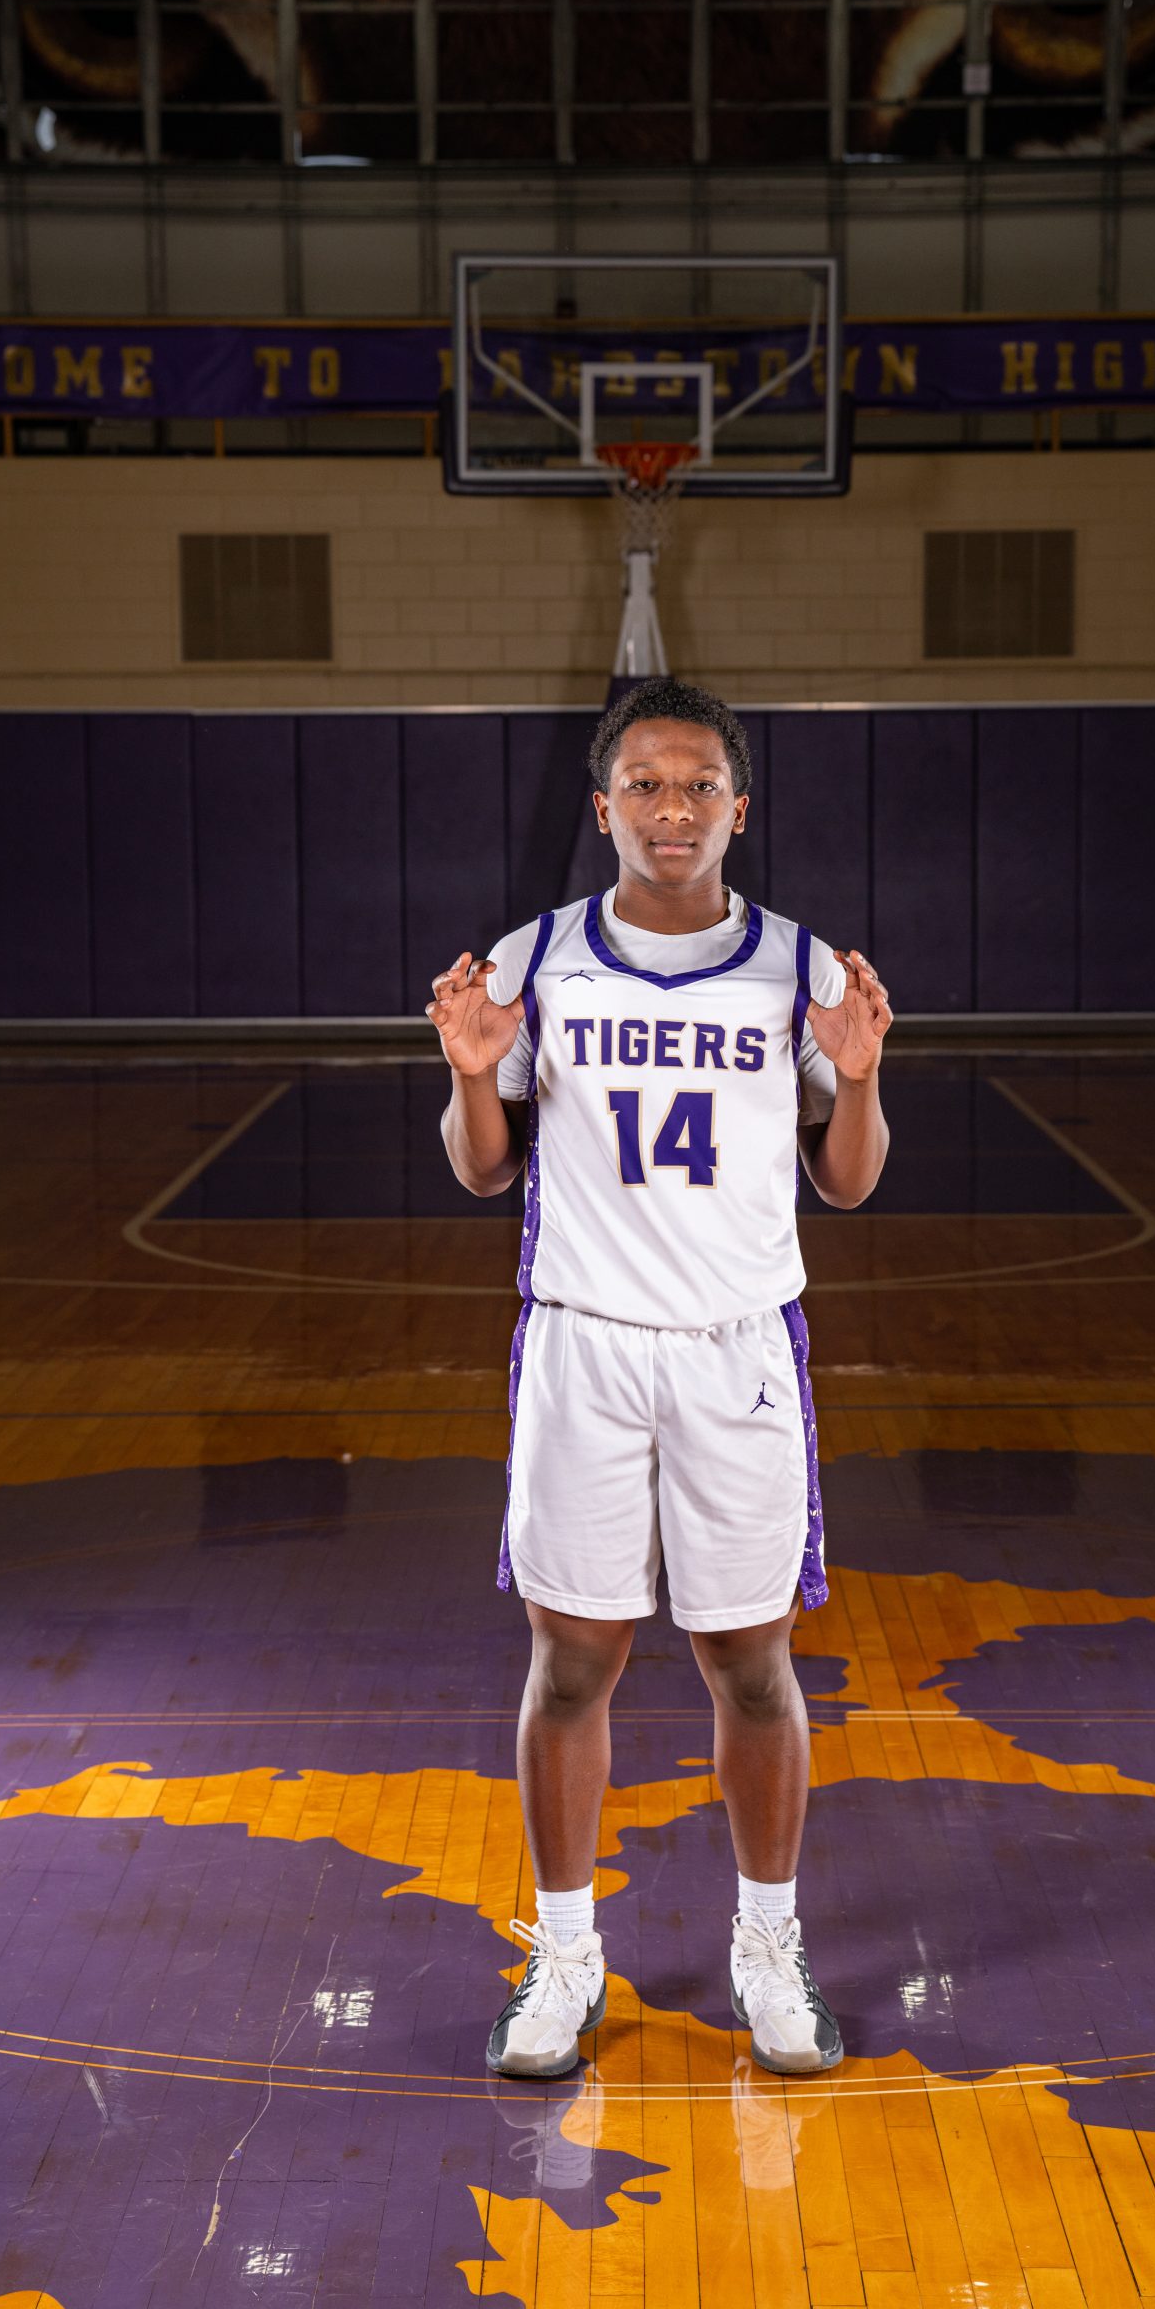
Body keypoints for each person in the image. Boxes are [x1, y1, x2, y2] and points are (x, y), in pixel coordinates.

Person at [427, 678, 892, 2079]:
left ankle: (769, 1946)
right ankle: (565, 1957)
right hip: (584, 1342)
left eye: (698, 786)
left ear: (739, 810)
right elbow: (482, 1169)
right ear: (602, 808)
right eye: (645, 784)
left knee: (751, 1664)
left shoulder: (802, 969)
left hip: (736, 1349)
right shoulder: (536, 959)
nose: (672, 810)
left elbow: (850, 1184)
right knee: (572, 1661)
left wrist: (861, 1078)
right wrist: (471, 1076)